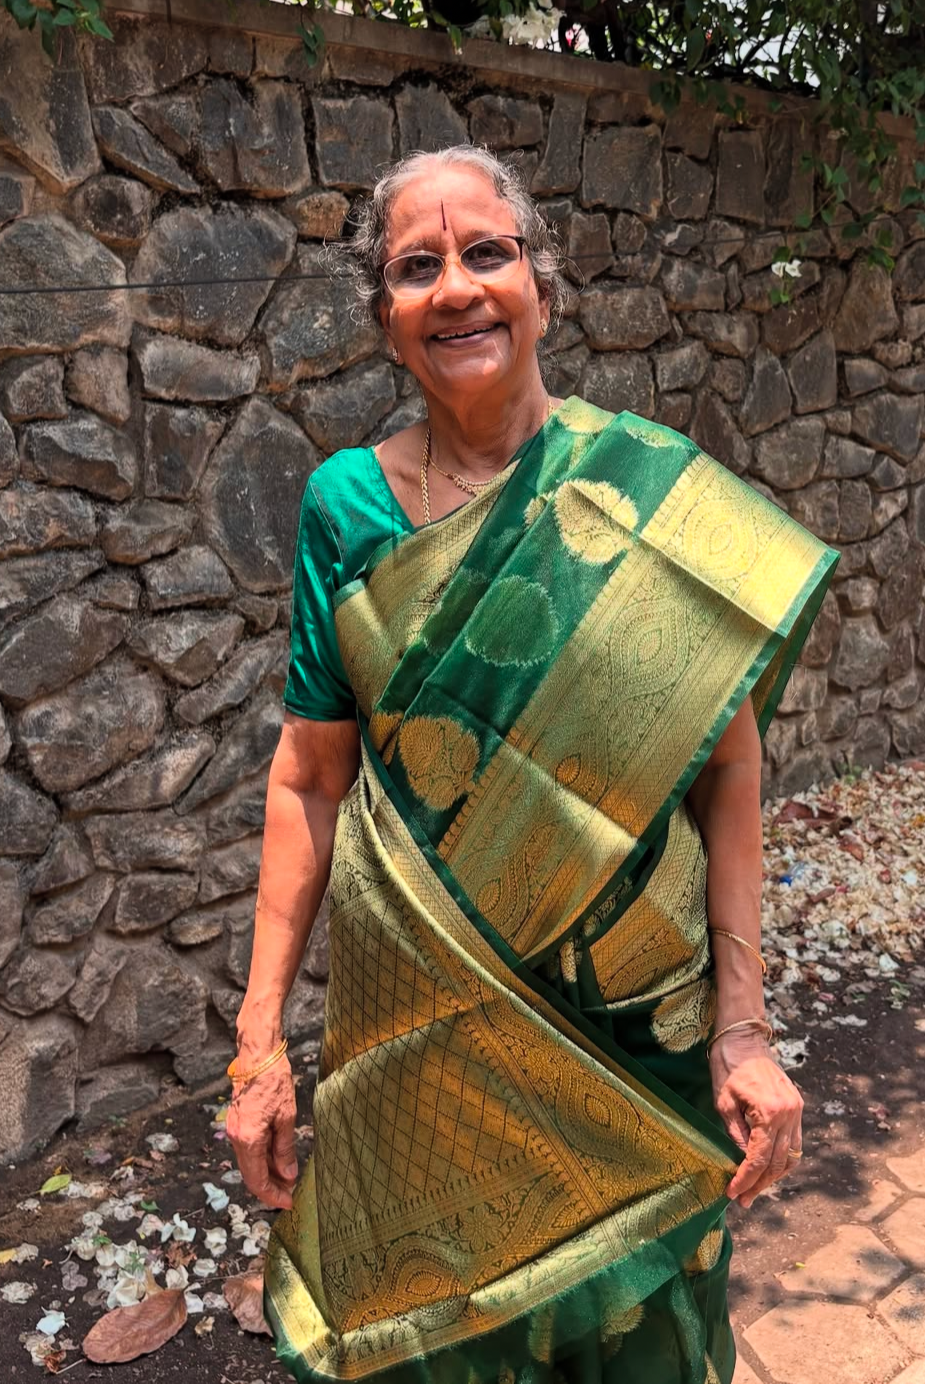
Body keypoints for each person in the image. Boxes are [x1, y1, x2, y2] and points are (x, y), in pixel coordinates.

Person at [225, 144, 839, 1384]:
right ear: (385, 320)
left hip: (631, 1029)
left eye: (485, 252)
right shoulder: (347, 509)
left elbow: (728, 771)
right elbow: (307, 778)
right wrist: (257, 1043)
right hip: (428, 1038)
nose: (455, 287)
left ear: (540, 286)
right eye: (416, 266)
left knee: (643, 1341)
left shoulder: (643, 497)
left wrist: (743, 1027)